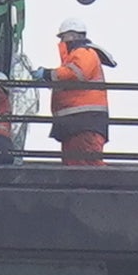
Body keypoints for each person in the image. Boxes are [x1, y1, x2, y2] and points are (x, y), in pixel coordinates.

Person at [49, 18, 116, 166]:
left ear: (73, 35)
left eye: (63, 37)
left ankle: (108, 187)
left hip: (85, 122)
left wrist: (49, 74)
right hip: (76, 123)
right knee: (75, 165)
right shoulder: (76, 56)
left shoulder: (84, 52)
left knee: (87, 165)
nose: (61, 41)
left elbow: (77, 74)